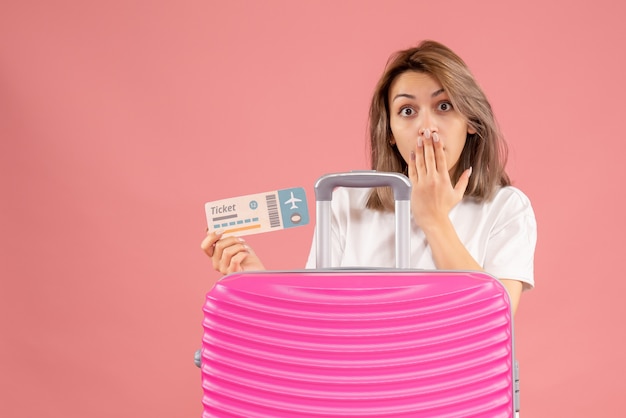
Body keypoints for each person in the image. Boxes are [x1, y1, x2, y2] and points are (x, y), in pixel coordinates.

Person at [201, 40, 537, 315]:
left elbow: (492, 322)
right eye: (407, 111)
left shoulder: (507, 208)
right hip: (356, 390)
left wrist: (434, 219)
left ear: (472, 121)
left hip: (450, 392)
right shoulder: (347, 199)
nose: (426, 127)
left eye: (444, 106)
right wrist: (254, 277)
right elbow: (316, 319)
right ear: (390, 132)